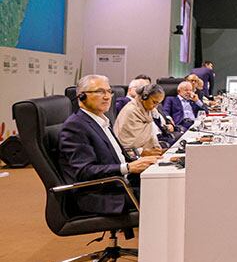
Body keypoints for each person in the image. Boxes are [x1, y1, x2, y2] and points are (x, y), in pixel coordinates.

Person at [60, 75, 157, 214]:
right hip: (102, 195)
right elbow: (84, 171)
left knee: (168, 184)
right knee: (166, 196)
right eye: (99, 91)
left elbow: (118, 158)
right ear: (81, 96)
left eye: (109, 91)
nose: (107, 97)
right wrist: (128, 167)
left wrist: (144, 161)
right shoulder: (75, 126)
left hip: (121, 185)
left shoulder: (102, 121)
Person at [114, 83, 168, 152]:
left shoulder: (146, 110)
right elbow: (127, 145)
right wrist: (145, 151)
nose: (156, 106)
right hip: (130, 155)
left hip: (144, 152)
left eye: (158, 103)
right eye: (154, 102)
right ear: (144, 97)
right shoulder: (131, 111)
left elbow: (150, 135)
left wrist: (156, 148)